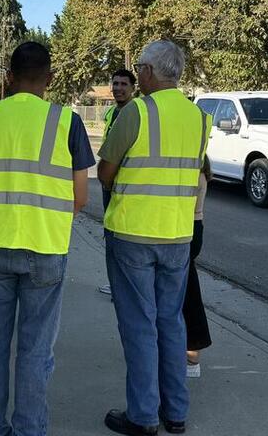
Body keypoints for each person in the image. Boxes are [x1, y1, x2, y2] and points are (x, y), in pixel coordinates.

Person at [0, 42, 94, 436]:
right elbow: (81, 197)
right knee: (35, 350)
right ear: (50, 80)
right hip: (45, 248)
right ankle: (28, 430)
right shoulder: (66, 121)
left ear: (9, 78)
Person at [97, 40, 212, 435]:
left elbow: (106, 172)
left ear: (146, 72)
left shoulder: (136, 113)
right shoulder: (200, 118)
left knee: (139, 326)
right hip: (178, 236)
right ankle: (175, 412)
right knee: (172, 323)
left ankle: (143, 416)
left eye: (140, 68)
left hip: (132, 233)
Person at [99, 68, 136, 295]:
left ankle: (122, 287)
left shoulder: (135, 113)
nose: (118, 88)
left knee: (123, 239)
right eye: (115, 84)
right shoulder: (112, 113)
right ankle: (115, 284)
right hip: (108, 184)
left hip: (126, 186)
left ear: (133, 88)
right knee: (110, 235)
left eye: (124, 84)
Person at [184, 161, 213, 378]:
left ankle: (192, 354)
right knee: (188, 288)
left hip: (185, 227)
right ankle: (191, 353)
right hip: (195, 227)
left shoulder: (191, 169)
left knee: (187, 293)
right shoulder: (202, 168)